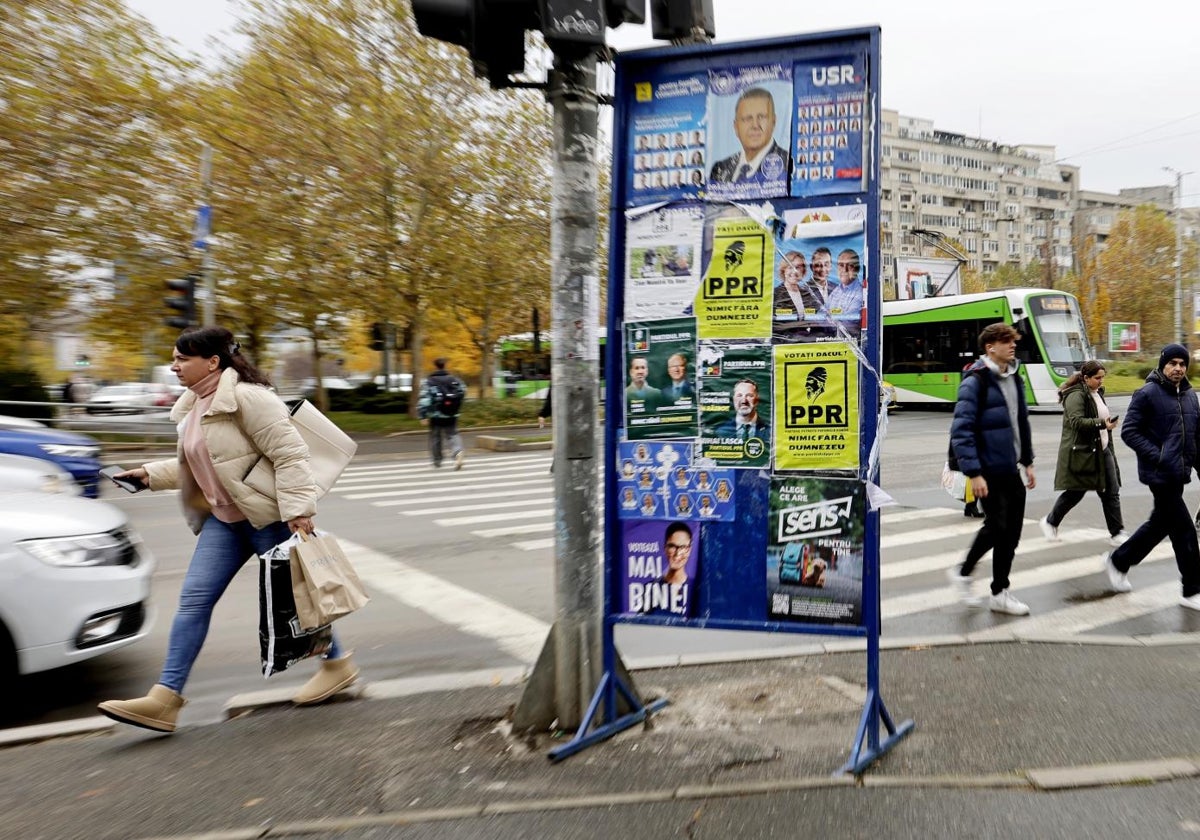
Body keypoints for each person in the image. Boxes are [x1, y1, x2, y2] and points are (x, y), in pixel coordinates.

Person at [97, 326, 357, 733]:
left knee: (298, 602)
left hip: (269, 518)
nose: (174, 365)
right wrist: (148, 474)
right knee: (194, 602)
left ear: (212, 362)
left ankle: (336, 665)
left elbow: (291, 455)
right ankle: (165, 699)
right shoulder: (193, 405)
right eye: (175, 358)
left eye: (182, 358)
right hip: (224, 521)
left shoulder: (250, 399)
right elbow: (201, 463)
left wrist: (298, 510)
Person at [946, 323, 1036, 616]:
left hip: (1010, 468)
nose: (1012, 346)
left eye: (1013, 341)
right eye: (1006, 341)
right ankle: (974, 576)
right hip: (987, 470)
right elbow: (962, 431)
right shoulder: (976, 381)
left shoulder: (1014, 378)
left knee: (1012, 533)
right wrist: (974, 473)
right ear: (990, 347)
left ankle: (996, 590)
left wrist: (1028, 460)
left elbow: (1020, 422)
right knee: (997, 527)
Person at [1103, 344, 1200, 608]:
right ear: (1162, 365)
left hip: (1179, 474)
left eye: (1182, 364)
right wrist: (1159, 455)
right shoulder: (1147, 393)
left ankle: (1119, 560)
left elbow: (1195, 438)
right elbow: (1130, 432)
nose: (1178, 368)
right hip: (1158, 474)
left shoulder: (1191, 396)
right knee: (1184, 530)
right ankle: (1191, 589)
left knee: (1160, 524)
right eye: (1173, 363)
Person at [1039, 361, 1126, 546]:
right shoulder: (1075, 395)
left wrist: (1107, 425)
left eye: (1103, 377)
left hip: (1102, 449)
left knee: (1111, 492)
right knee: (1075, 492)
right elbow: (1077, 422)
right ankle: (1050, 521)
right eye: (1097, 378)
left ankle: (1117, 533)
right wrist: (1102, 423)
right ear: (1086, 378)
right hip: (1083, 452)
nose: (1101, 381)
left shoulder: (1097, 393)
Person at [708, 88, 791, 185]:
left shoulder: (787, 164)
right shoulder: (720, 169)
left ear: (773, 122)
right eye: (747, 119)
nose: (755, 125)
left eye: (762, 117)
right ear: (736, 127)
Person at [418, 357, 466, 470]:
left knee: (435, 437)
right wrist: (455, 404)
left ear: (435, 366)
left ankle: (437, 460)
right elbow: (463, 391)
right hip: (451, 413)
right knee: (453, 434)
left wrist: (423, 415)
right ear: (444, 366)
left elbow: (425, 399)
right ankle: (458, 452)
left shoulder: (429, 381)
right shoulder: (454, 379)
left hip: (436, 414)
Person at [823, 248, 865, 331]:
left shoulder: (859, 294)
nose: (844, 270)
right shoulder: (837, 290)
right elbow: (821, 314)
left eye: (850, 266)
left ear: (857, 269)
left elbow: (847, 324)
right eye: (841, 265)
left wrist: (828, 317)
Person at [773, 250, 820, 320]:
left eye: (797, 267)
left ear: (803, 271)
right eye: (790, 267)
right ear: (784, 270)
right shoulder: (774, 294)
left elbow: (815, 318)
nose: (794, 271)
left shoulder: (808, 294)